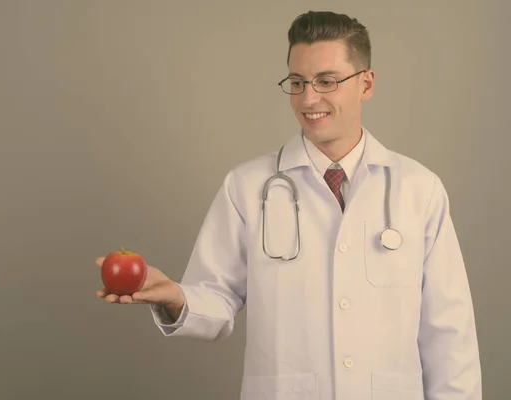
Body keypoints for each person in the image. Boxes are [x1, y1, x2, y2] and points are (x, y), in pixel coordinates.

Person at [96, 10, 482, 400]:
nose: (308, 98)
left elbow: (449, 334)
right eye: (297, 82)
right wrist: (178, 297)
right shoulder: (246, 186)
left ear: (365, 84)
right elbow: (217, 298)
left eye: (327, 81)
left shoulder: (418, 188)